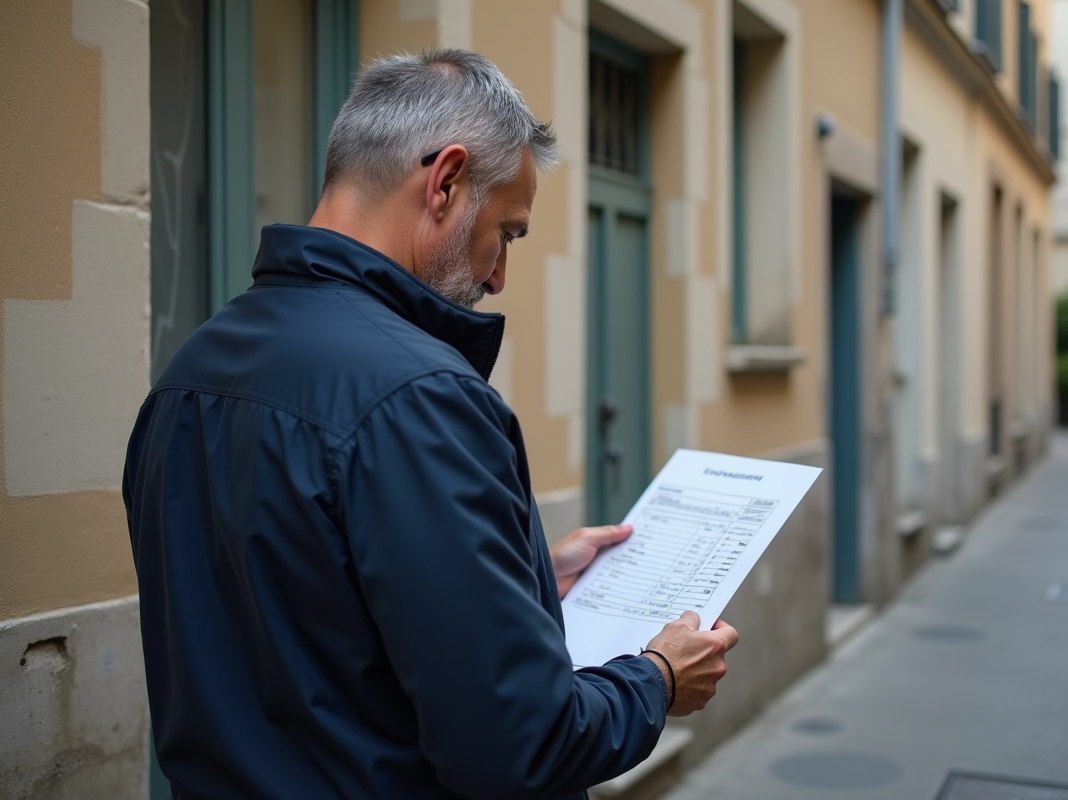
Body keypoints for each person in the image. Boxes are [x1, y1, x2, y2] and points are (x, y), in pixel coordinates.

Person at [124, 48, 738, 800]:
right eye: (508, 232)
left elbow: (304, 612)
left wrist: (527, 576)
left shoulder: (186, 375)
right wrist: (657, 678)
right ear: (445, 181)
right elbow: (520, 746)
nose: (498, 276)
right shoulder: (420, 395)